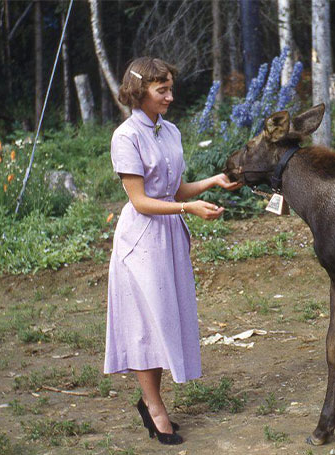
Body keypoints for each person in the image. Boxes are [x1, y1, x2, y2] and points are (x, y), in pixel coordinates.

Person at [103, 57, 240, 445]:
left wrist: (212, 182)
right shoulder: (126, 137)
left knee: (164, 320)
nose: (170, 96)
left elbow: (175, 188)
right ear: (139, 91)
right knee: (148, 325)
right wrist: (188, 210)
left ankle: (153, 401)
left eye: (169, 88)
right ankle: (153, 404)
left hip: (170, 238)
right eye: (161, 89)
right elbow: (141, 201)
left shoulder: (170, 131)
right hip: (142, 240)